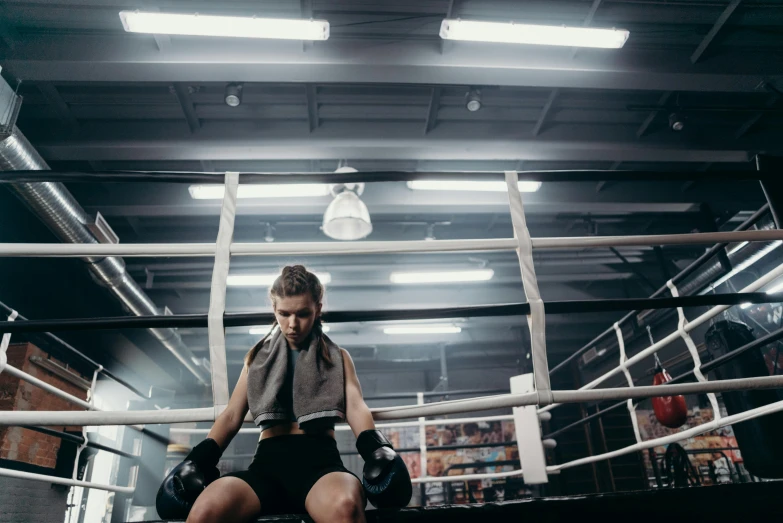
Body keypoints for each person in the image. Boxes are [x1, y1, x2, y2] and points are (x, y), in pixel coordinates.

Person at [156, 265, 412, 523]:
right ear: (274, 310)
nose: (292, 324)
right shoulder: (256, 360)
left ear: (318, 310)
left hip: (321, 466)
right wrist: (198, 460)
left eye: (303, 314)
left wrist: (377, 450)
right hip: (267, 466)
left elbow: (356, 408)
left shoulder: (337, 358)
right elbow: (232, 415)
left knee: (345, 509)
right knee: (204, 512)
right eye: (284, 313)